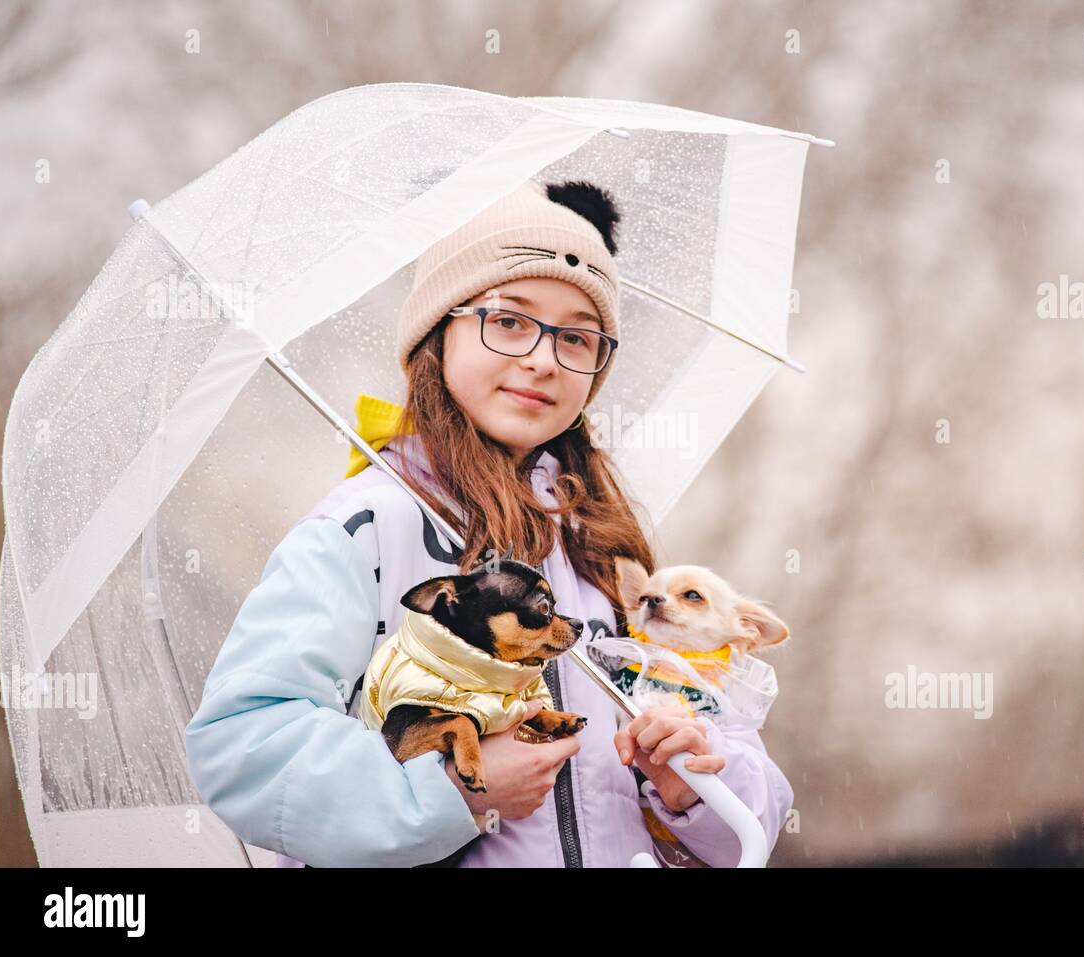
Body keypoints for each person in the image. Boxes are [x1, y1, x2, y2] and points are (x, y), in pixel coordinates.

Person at [183, 178, 794, 867]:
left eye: (578, 336)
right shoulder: (370, 527)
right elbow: (245, 745)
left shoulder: (602, 544)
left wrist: (693, 784)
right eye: (508, 319)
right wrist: (452, 787)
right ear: (439, 329)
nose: (542, 357)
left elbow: (752, 801)